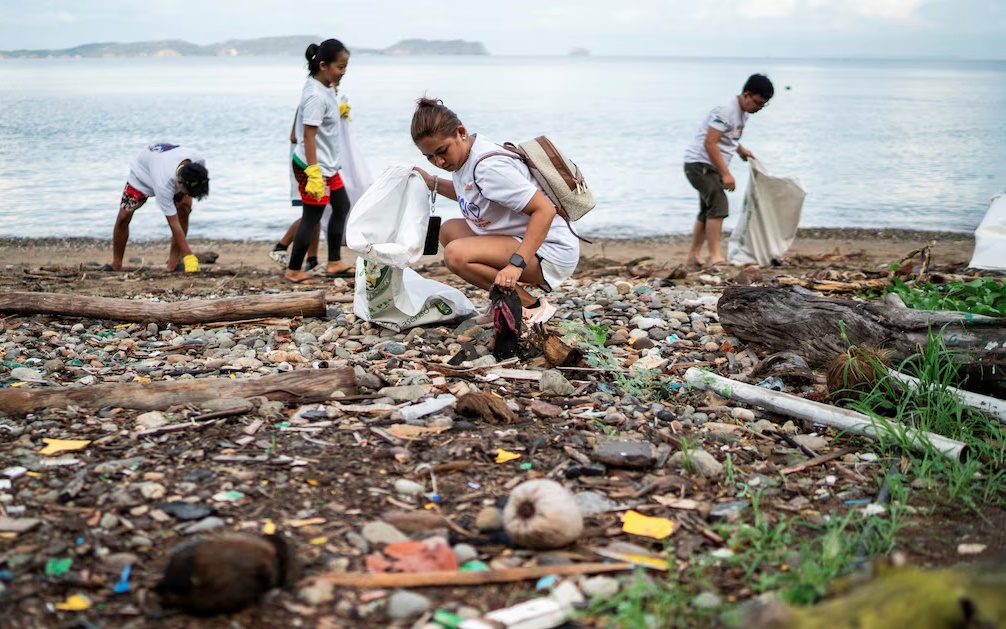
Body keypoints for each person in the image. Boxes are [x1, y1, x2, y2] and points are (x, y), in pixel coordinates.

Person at [410, 97, 579, 325]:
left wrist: (515, 265)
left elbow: (545, 210)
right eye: (429, 156)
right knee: (449, 231)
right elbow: (471, 193)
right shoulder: (465, 155)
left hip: (552, 251)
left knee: (456, 254)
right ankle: (503, 301)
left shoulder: (488, 168)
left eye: (442, 151)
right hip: (521, 239)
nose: (438, 161)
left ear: (461, 132)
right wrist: (433, 183)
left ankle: (530, 306)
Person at [683, 73, 774, 268]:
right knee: (718, 206)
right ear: (747, 94)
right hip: (699, 164)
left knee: (706, 210)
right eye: (757, 102)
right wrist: (726, 174)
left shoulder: (743, 114)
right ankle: (715, 256)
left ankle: (693, 256)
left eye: (762, 105)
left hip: (709, 164)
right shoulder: (725, 111)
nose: (757, 108)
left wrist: (740, 150)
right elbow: (710, 143)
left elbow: (729, 138)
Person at [284, 39, 353, 283]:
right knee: (312, 215)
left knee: (342, 206)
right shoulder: (315, 95)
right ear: (323, 65)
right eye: (340, 67)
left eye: (345, 67)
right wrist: (313, 172)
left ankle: (334, 262)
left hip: (327, 165)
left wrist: (339, 108)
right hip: (312, 166)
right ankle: (293, 269)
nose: (343, 72)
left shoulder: (324, 86)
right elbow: (308, 136)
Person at [109, 143, 209, 272]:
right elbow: (173, 223)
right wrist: (189, 256)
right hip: (142, 175)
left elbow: (198, 183)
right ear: (180, 183)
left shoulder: (198, 161)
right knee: (124, 216)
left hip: (164, 163)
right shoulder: (164, 182)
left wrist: (187, 196)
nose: (188, 195)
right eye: (187, 192)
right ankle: (116, 263)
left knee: (184, 208)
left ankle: (173, 264)